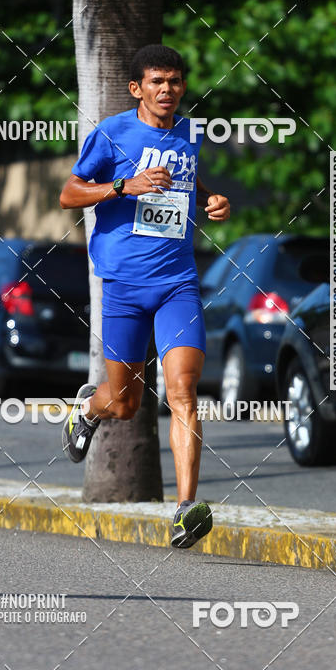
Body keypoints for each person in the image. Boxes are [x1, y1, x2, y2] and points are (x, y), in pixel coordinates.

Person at [59, 44, 230, 548]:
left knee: (183, 391)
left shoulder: (189, 132)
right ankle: (89, 409)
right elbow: (69, 194)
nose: (167, 90)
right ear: (137, 88)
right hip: (124, 287)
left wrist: (210, 199)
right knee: (125, 405)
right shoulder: (112, 132)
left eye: (175, 81)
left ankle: (185, 509)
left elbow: (186, 180)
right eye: (157, 81)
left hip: (177, 281)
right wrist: (123, 186)